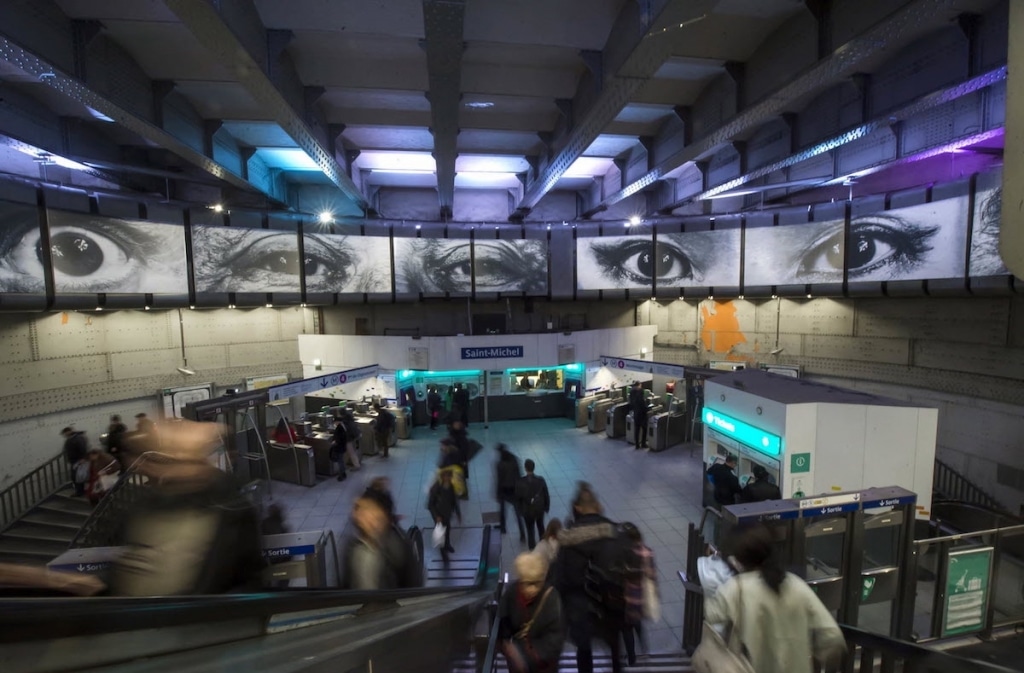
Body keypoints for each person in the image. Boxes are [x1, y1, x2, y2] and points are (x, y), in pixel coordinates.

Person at [704, 524, 845, 673]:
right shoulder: (794, 583)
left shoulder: (736, 588)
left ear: (736, 560)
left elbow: (711, 614)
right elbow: (832, 635)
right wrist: (816, 653)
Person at [554, 482, 634, 673]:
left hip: (580, 608)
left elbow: (560, 580)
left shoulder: (567, 540)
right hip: (612, 606)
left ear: (577, 508)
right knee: (615, 648)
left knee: (584, 650)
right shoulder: (617, 532)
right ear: (598, 506)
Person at [497, 552, 566, 673]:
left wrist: (524, 657)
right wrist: (507, 645)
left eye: (537, 583)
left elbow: (556, 635)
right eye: (527, 583)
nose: (532, 589)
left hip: (543, 665)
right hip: (518, 662)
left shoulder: (551, 597)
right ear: (521, 580)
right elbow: (503, 622)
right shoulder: (511, 593)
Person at [341, 489, 422, 590]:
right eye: (363, 511)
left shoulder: (398, 548)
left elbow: (412, 586)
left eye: (373, 513)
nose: (365, 518)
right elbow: (346, 585)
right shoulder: (352, 548)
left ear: (385, 517)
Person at [620, 523, 656, 666]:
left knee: (626, 629)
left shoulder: (624, 553)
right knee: (638, 623)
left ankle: (631, 658)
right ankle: (644, 647)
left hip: (627, 598)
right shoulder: (647, 552)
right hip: (642, 598)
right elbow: (652, 575)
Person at [516, 459, 550, 549]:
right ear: (534, 468)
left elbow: (518, 498)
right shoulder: (540, 480)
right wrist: (546, 507)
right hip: (539, 509)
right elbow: (546, 494)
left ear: (525, 468)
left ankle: (532, 549)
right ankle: (543, 546)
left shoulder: (520, 482)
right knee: (540, 526)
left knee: (530, 530)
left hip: (527, 510)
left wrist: (520, 511)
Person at [496, 443, 526, 542]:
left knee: (502, 510)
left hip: (504, 490)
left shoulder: (500, 464)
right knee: (517, 513)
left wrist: (497, 492)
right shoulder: (514, 460)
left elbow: (499, 480)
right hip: (515, 490)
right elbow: (519, 474)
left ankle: (503, 528)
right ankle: (522, 533)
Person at [428, 469, 461, 554]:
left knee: (447, 528)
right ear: (442, 477)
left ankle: (447, 545)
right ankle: (442, 549)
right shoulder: (436, 488)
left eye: (449, 476)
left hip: (447, 513)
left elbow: (454, 501)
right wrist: (436, 516)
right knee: (440, 531)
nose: (448, 478)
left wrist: (458, 514)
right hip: (439, 515)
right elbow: (430, 505)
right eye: (446, 476)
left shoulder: (451, 486)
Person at [61, 426, 89, 496]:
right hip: (75, 460)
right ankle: (80, 491)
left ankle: (80, 491)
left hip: (78, 460)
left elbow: (82, 448)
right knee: (77, 476)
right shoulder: (74, 439)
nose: (65, 435)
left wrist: (83, 458)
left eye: (65, 433)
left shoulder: (77, 439)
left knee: (77, 476)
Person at [629, 382, 649, 450]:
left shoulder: (631, 394)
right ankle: (643, 443)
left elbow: (631, 404)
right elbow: (643, 406)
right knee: (644, 428)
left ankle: (637, 444)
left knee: (637, 429)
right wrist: (648, 408)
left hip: (636, 413)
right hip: (642, 415)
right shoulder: (640, 394)